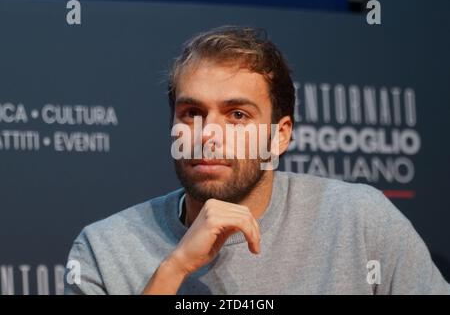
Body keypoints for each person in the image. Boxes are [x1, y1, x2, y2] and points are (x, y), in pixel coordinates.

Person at [64, 26, 450, 295]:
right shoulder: (105, 249)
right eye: (191, 113)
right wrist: (174, 268)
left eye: (237, 115)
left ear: (280, 135)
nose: (208, 134)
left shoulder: (359, 221)